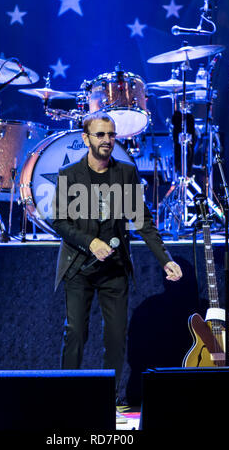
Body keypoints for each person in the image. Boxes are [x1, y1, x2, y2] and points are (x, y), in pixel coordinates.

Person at [52, 111, 182, 395]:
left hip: (114, 269)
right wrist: (91, 243)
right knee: (75, 332)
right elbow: (60, 222)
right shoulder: (69, 175)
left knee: (115, 338)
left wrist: (166, 260)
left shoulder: (126, 172)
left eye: (111, 135)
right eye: (100, 135)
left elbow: (143, 221)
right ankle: (65, 399)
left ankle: (105, 400)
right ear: (86, 138)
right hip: (78, 266)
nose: (107, 140)